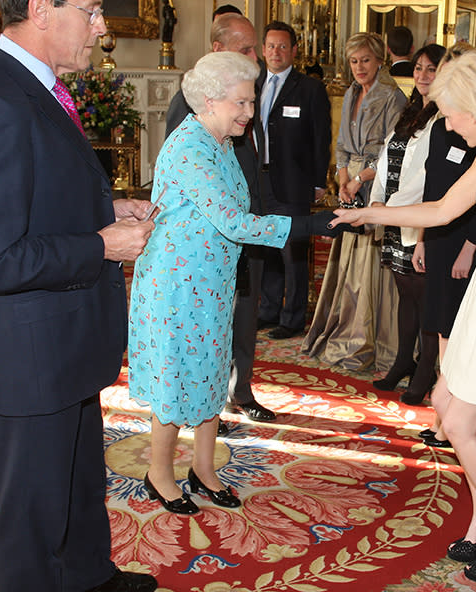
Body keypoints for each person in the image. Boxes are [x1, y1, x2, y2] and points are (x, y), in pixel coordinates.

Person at [330, 50, 476, 585]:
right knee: (444, 401)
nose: (450, 123)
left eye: (454, 113)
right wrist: (370, 211)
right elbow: (441, 210)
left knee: (460, 422)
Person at [0, 0, 158, 590]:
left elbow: (38, 197)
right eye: (91, 9)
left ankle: (88, 577)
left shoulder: (33, 86)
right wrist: (102, 244)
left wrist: (105, 209)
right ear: (41, 8)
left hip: (60, 337)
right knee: (34, 516)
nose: (102, 25)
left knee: (77, 479)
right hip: (30, 353)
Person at [130, 52, 345, 515]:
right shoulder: (189, 147)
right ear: (209, 101)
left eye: (250, 102)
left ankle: (203, 470)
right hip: (177, 284)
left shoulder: (221, 142)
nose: (250, 113)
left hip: (212, 281)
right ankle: (159, 475)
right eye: (242, 103)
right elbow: (233, 221)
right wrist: (310, 225)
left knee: (210, 375)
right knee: (175, 380)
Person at [165, 13, 273, 423]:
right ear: (217, 50)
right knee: (213, 326)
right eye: (245, 49)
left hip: (249, 224)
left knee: (245, 317)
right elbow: (194, 184)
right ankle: (210, 403)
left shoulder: (244, 93)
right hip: (214, 238)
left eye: (254, 48)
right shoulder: (190, 107)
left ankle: (239, 392)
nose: (255, 57)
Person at [302, 32, 407, 371]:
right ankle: (343, 327)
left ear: (380, 60)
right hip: (351, 183)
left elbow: (393, 152)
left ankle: (368, 338)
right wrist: (343, 177)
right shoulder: (349, 93)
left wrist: (360, 179)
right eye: (354, 61)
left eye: (365, 60)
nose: (359, 67)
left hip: (376, 186)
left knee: (369, 263)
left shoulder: (393, 97)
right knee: (348, 257)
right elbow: (342, 144)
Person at [409, 43, 476, 455]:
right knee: (440, 326)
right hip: (437, 235)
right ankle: (441, 419)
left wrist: (470, 248)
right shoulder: (442, 126)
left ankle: (453, 420)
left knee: (459, 332)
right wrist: (421, 237)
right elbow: (432, 190)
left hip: (465, 241)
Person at [368, 43, 446, 394]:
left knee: (424, 295)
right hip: (395, 213)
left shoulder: (445, 116)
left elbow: (427, 177)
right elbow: (388, 158)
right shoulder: (411, 109)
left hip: (418, 215)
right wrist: (377, 201)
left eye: (431, 69)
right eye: (418, 68)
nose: (423, 76)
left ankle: (426, 367)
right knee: (404, 292)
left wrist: (391, 209)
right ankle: (404, 359)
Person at [257, 21, 332, 339]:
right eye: (271, 46)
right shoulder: (253, 82)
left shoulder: (310, 88)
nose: (276, 52)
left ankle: (293, 318)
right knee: (267, 248)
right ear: (263, 50)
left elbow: (321, 138)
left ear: (294, 51)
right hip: (259, 181)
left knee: (294, 254)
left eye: (283, 46)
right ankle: (268, 310)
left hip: (295, 181)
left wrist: (318, 182)